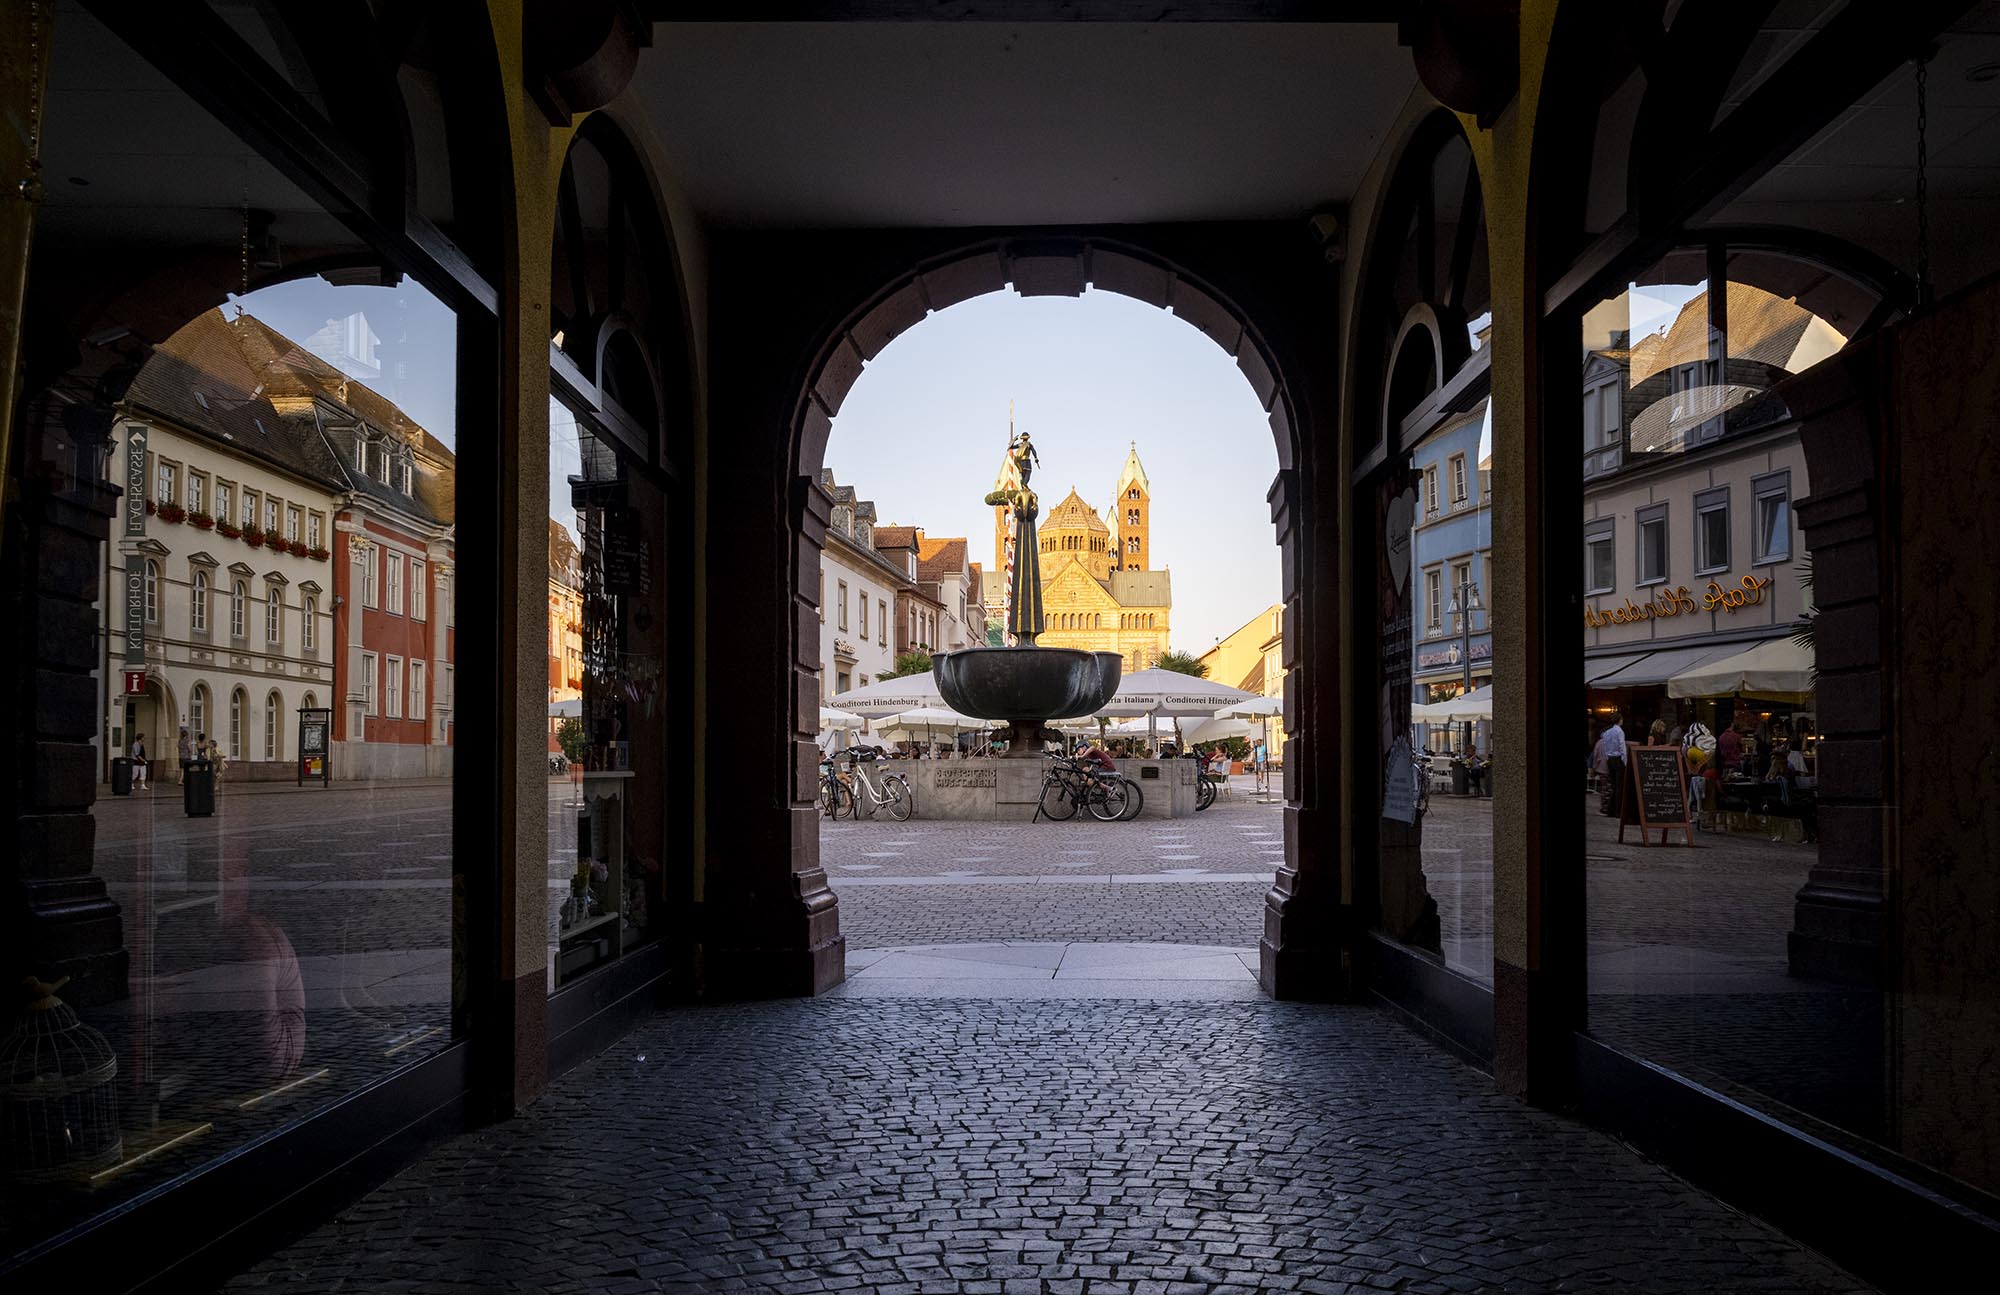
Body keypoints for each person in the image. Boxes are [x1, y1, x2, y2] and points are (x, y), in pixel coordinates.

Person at [1590, 713, 1626, 817]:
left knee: (1612, 786)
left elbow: (1604, 747)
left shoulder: (1607, 733)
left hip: (1610, 759)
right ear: (1620, 720)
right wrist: (1625, 761)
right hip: (1617, 759)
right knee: (1619, 786)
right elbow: (1622, 747)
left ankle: (1610, 809)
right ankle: (1617, 810)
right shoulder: (1619, 731)